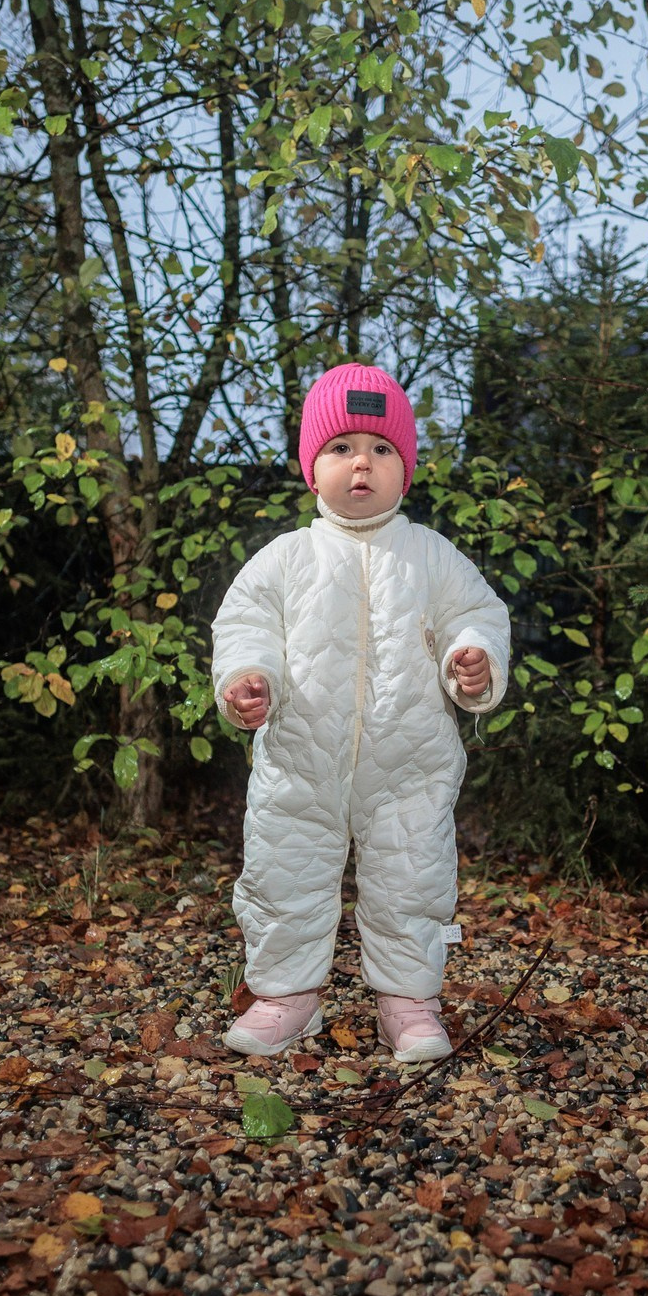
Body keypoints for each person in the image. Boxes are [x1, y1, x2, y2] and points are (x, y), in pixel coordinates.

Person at [210, 362, 510, 1064]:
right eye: (341, 447)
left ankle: (408, 1001)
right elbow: (246, 625)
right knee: (284, 873)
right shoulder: (287, 558)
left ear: (407, 469)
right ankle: (286, 995)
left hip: (410, 762)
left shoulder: (431, 556)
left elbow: (477, 614)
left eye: (381, 448)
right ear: (310, 470)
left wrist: (471, 659)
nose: (362, 464)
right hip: (300, 760)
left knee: (413, 878)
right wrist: (247, 678)